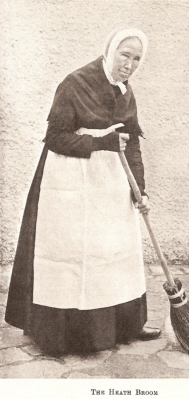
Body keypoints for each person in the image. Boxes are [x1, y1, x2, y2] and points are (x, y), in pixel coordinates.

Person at [5, 28, 161, 356]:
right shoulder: (75, 83)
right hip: (68, 184)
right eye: (125, 55)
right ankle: (64, 337)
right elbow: (55, 136)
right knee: (71, 258)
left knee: (116, 254)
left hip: (111, 183)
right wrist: (101, 142)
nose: (130, 64)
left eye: (136, 59)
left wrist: (140, 190)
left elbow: (131, 145)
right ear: (110, 50)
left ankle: (127, 326)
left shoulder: (126, 93)